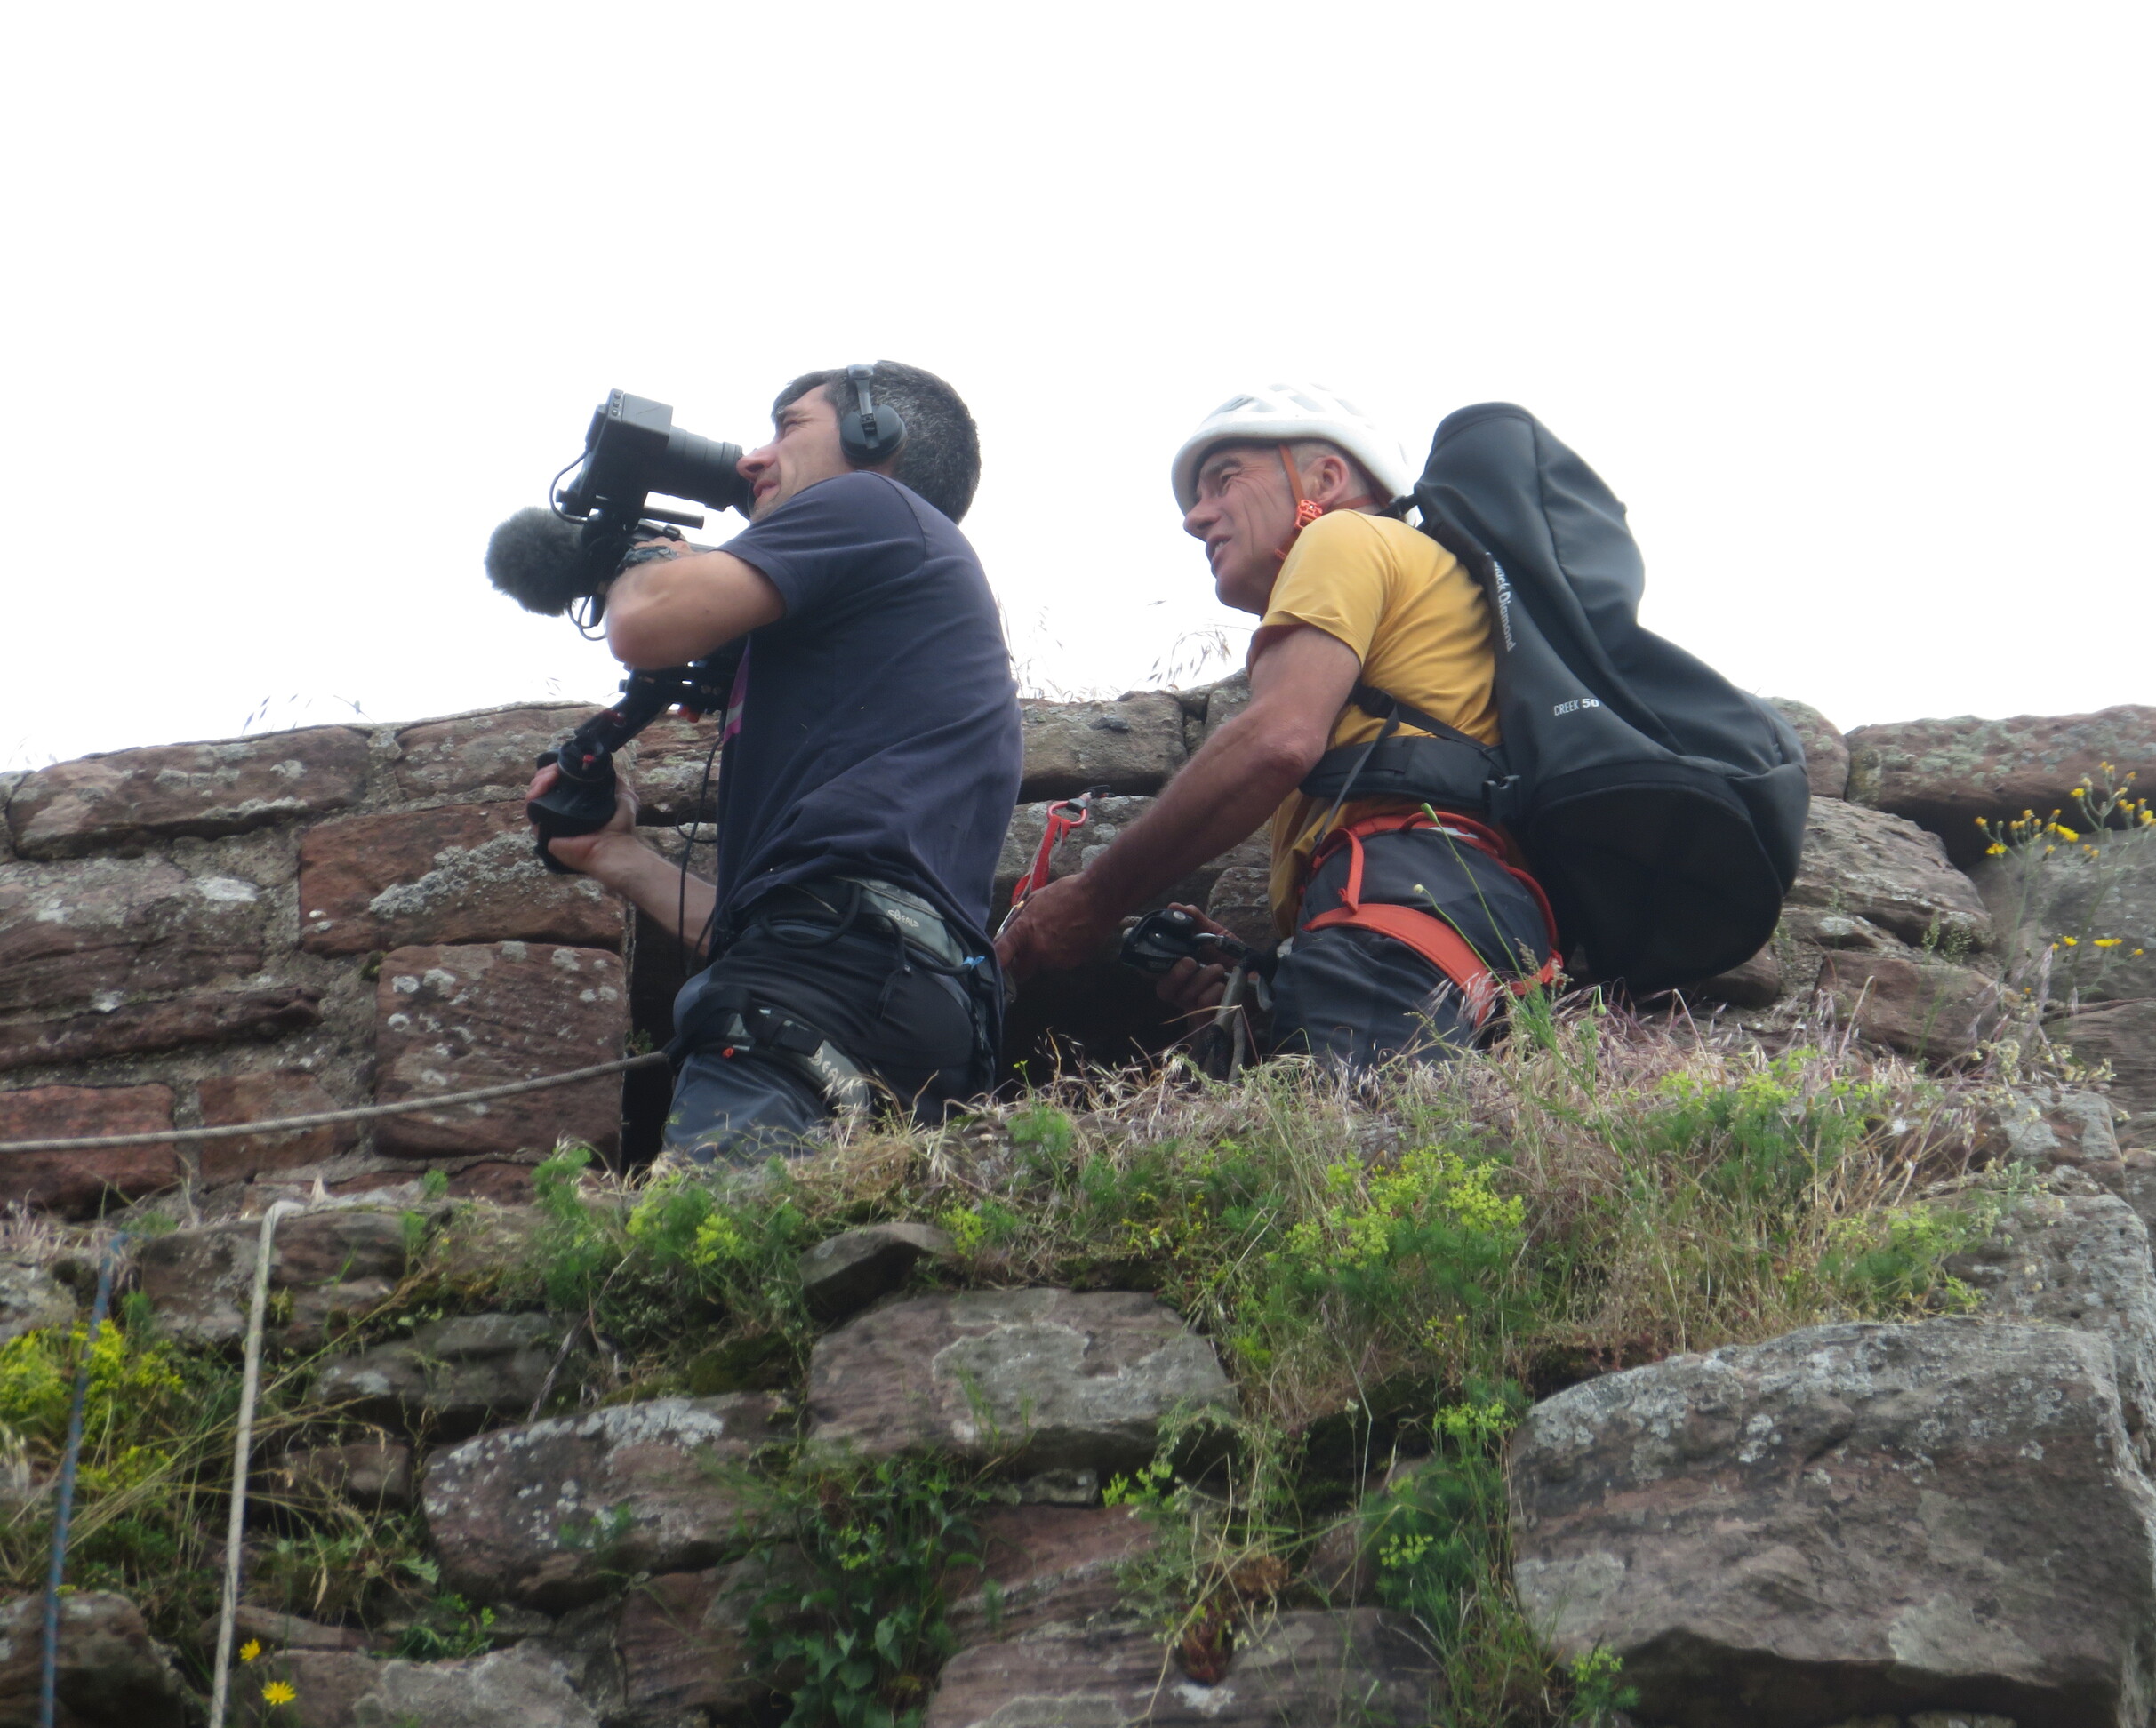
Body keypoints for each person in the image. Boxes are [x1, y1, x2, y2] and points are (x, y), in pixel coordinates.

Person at [531, 362, 1022, 1162]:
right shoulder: (892, 630)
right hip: (903, 1005)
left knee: (710, 1234)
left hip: (821, 992)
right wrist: (613, 856)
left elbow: (644, 622)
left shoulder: (871, 500)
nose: (752, 459)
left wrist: (643, 556)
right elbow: (773, 929)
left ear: (875, 434)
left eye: (790, 427)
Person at [997, 384, 1555, 1067]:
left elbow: (1277, 742)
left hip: (1402, 908)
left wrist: (1094, 896)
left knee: (1355, 1136)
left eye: (1224, 479)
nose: (1195, 519)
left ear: (1327, 479)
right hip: (1476, 921)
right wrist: (1264, 974)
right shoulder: (1422, 591)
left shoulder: (1343, 534)